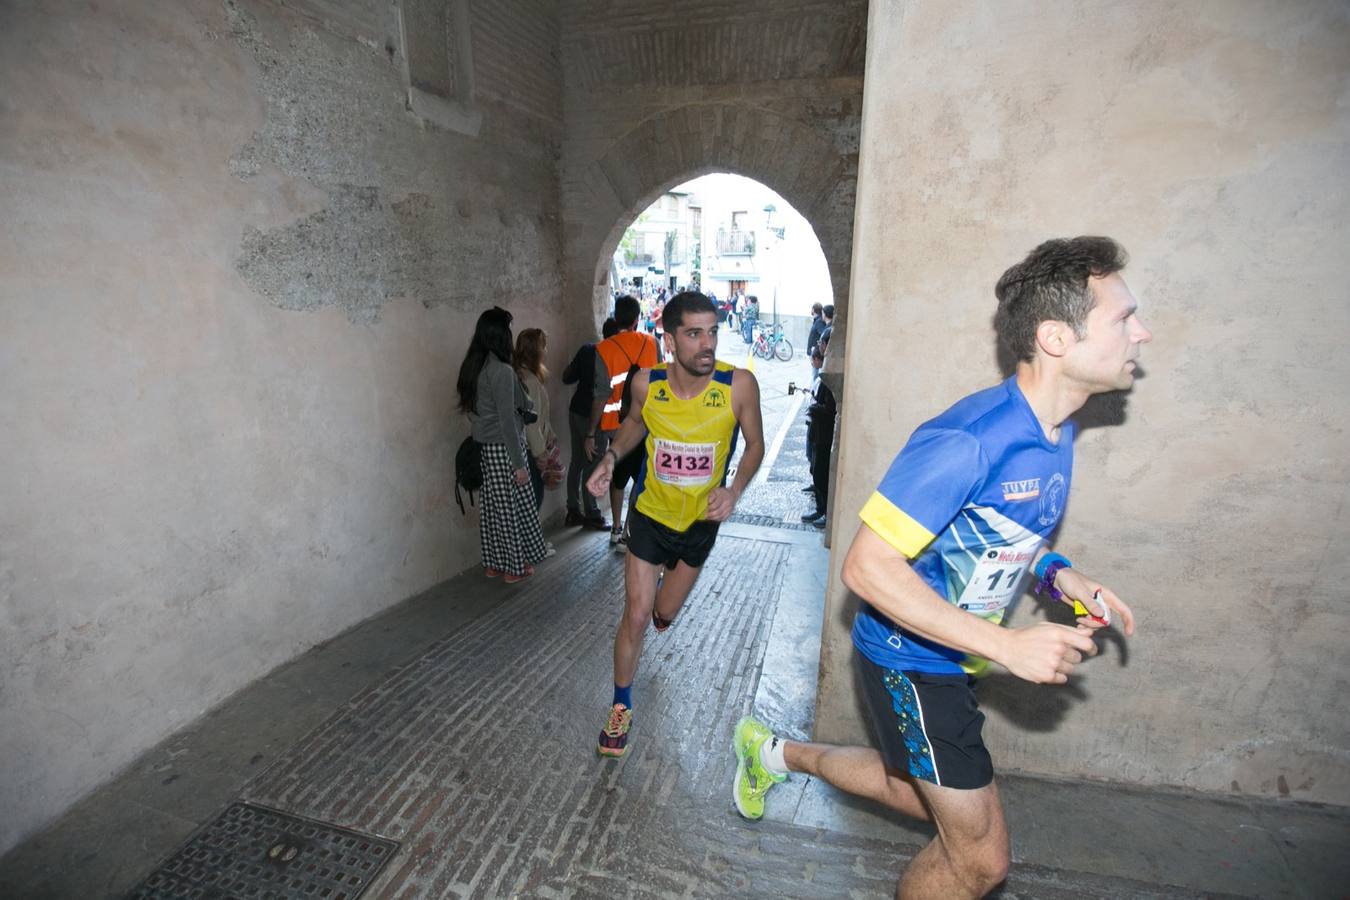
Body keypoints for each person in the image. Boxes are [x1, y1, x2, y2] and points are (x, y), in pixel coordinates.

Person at [732, 236, 1151, 898]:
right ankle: (773, 754)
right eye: (1124, 318)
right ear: (1056, 338)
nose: (1142, 332)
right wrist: (1006, 644)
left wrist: (1058, 576)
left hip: (954, 657)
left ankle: (769, 752)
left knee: (911, 790)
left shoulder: (1055, 431)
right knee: (980, 859)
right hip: (912, 661)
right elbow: (867, 568)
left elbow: (998, 535)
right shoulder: (969, 440)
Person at [588, 291, 765, 758]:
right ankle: (621, 705)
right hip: (650, 518)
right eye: (693, 334)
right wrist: (610, 455)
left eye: (712, 332)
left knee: (664, 612)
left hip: (700, 525)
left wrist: (733, 490)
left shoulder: (738, 385)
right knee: (638, 614)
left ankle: (667, 603)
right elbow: (633, 423)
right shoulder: (648, 383)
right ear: (670, 339)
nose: (706, 344)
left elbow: (754, 447)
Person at [456, 307, 549, 584]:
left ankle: (494, 564)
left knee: (493, 508)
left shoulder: (474, 366)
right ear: (500, 336)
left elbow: (474, 411)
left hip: (484, 445)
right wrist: (519, 464)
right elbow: (509, 420)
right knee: (512, 507)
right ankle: (514, 566)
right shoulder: (501, 371)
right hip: (505, 447)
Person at [588, 295, 661, 548]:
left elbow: (600, 394)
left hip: (615, 428)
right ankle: (629, 531)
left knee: (617, 478)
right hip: (646, 424)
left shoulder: (603, 349)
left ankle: (616, 529)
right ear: (637, 319)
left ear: (615, 317)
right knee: (641, 480)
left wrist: (590, 432)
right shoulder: (651, 343)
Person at [561, 318, 619, 530]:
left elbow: (567, 377)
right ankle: (592, 513)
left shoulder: (587, 349)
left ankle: (573, 511)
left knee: (577, 461)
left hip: (576, 410)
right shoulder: (613, 354)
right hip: (596, 416)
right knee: (593, 463)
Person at [513, 328, 561, 521]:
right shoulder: (530, 380)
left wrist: (550, 434)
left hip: (527, 446)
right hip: (531, 450)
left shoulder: (522, 374)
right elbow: (532, 423)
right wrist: (541, 453)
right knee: (534, 498)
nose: (546, 350)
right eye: (544, 346)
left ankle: (531, 544)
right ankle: (532, 546)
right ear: (535, 350)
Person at [800, 332, 835, 528]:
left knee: (822, 474)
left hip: (824, 433)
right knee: (817, 471)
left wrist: (813, 407)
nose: (820, 345)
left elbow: (830, 409)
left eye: (822, 342)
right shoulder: (825, 369)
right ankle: (821, 509)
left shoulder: (829, 372)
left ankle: (825, 512)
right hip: (817, 431)